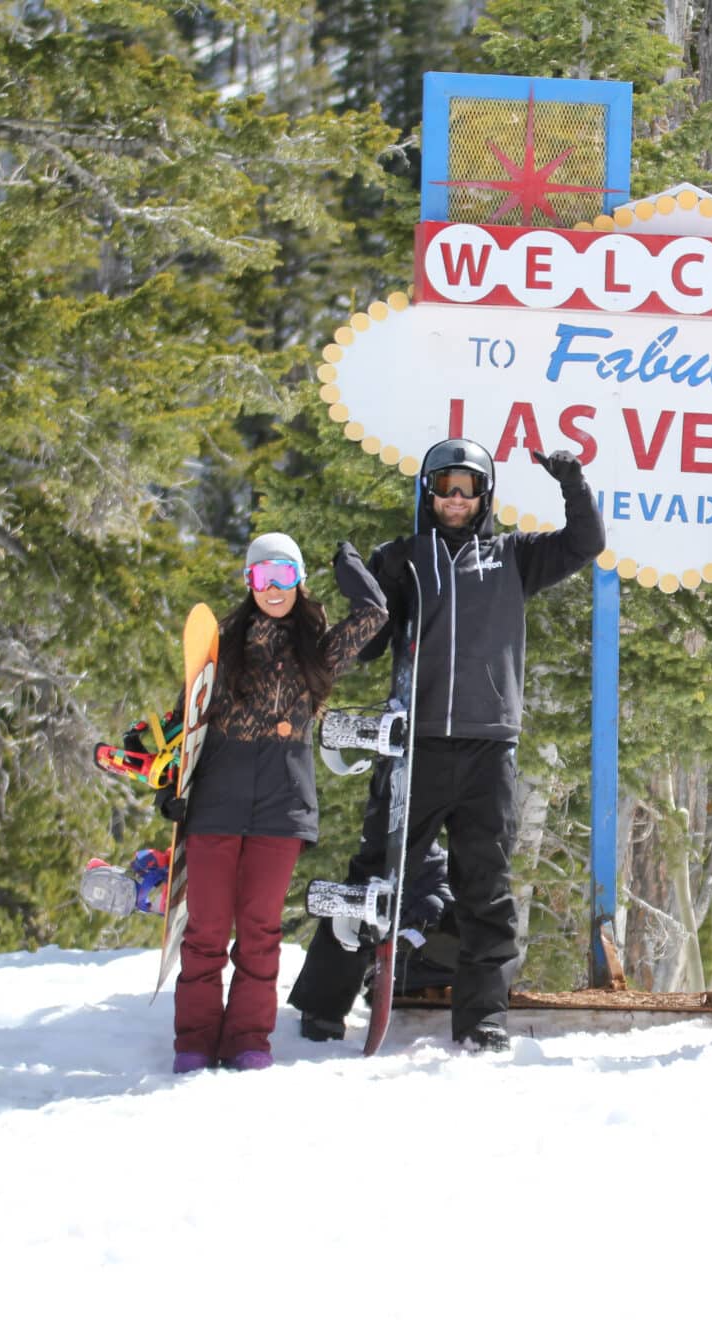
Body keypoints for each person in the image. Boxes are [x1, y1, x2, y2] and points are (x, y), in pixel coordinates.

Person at [287, 438, 604, 1051]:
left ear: (484, 495)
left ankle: (483, 1017)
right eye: (443, 488)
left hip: (488, 750)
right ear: (427, 492)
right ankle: (324, 1004)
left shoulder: (515, 556)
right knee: (377, 872)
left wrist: (572, 482)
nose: (455, 500)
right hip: (415, 746)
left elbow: (585, 543)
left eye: (467, 489)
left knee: (485, 887)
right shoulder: (402, 558)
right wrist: (364, 597)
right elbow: (370, 646)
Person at [163, 533, 388, 1072]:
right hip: (218, 799)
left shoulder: (317, 650)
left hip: (281, 806)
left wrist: (350, 565)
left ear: (299, 580)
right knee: (207, 930)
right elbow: (182, 725)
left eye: (285, 576)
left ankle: (248, 1041)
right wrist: (170, 789)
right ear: (250, 583)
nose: (275, 589)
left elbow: (374, 613)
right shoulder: (219, 644)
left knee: (261, 930)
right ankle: (194, 1041)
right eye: (265, 578)